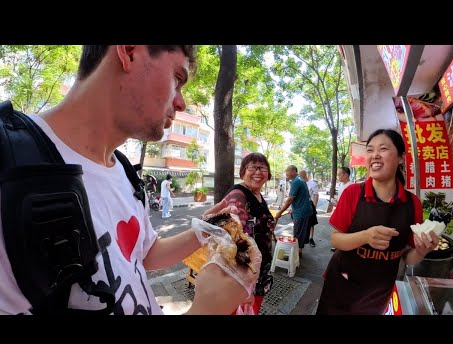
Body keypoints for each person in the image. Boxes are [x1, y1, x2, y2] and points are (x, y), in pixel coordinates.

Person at [0, 45, 260, 315]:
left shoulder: (124, 171)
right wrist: (207, 310)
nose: (181, 102)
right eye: (178, 79)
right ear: (129, 51)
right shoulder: (11, 161)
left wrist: (204, 229)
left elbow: (145, 254)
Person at [316, 129, 440, 315]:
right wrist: (366, 236)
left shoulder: (412, 203)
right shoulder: (353, 193)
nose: (374, 155)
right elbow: (336, 240)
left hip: (379, 289)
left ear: (400, 158)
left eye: (383, 149)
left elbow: (407, 256)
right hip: (343, 282)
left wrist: (422, 250)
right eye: (370, 150)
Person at [222, 152, 276, 315]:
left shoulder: (258, 195)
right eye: (252, 167)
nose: (258, 172)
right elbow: (233, 239)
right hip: (244, 276)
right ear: (243, 172)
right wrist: (247, 285)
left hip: (259, 272)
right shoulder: (239, 195)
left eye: (263, 168)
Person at [274, 165, 313, 258]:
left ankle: (296, 254)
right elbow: (302, 196)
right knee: (301, 233)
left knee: (298, 233)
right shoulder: (300, 180)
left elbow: (290, 199)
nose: (286, 174)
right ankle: (298, 252)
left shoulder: (296, 182)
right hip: (304, 210)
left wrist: (280, 212)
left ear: (293, 171)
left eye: (287, 171)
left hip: (301, 212)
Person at [330, 166, 353, 251]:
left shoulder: (352, 186)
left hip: (347, 213)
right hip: (339, 210)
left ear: (346, 175)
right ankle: (337, 245)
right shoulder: (341, 185)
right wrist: (336, 200)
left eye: (339, 174)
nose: (338, 176)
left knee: (344, 230)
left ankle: (343, 246)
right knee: (337, 229)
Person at [299, 170, 318, 247]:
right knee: (301, 222)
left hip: (310, 204)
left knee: (311, 223)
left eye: (301, 175)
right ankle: (302, 239)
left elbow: (316, 195)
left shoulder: (312, 183)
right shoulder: (299, 183)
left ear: (304, 175)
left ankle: (311, 238)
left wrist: (315, 206)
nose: (299, 176)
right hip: (301, 205)